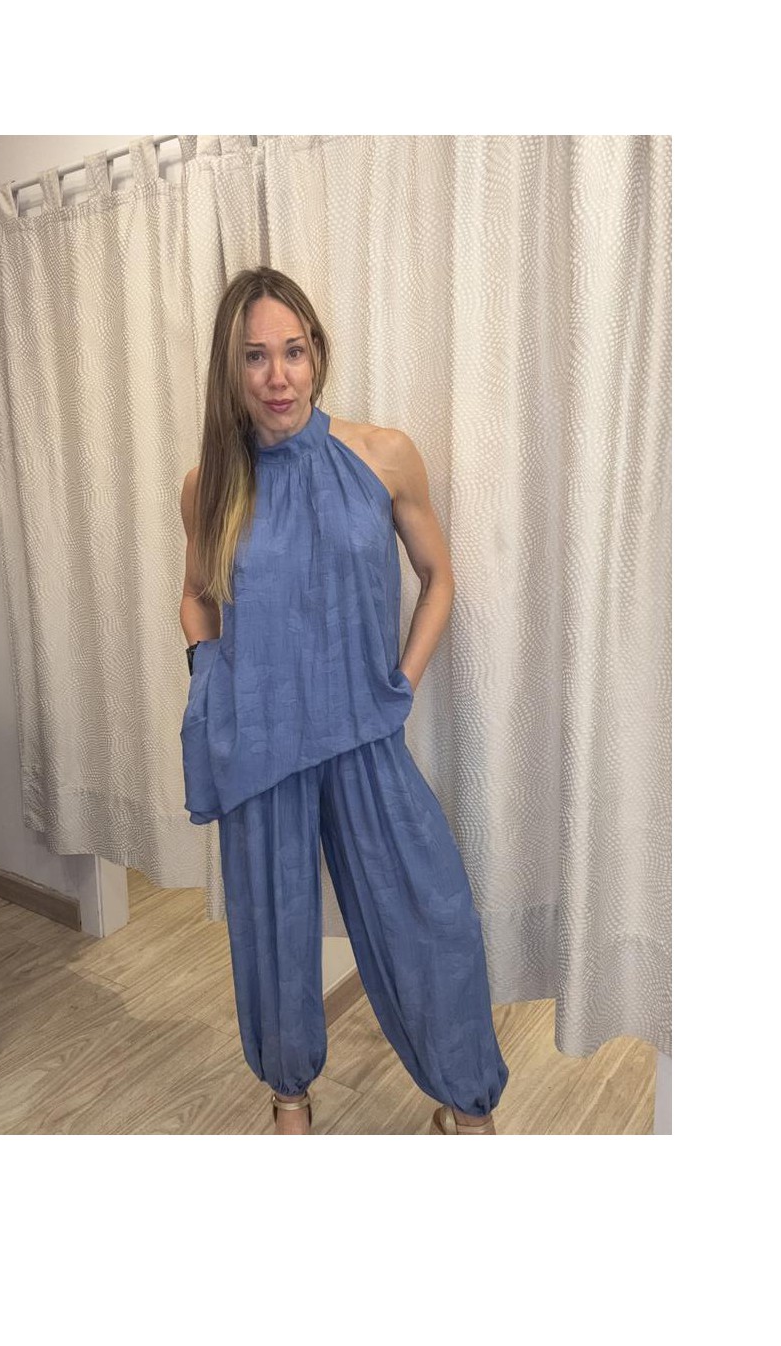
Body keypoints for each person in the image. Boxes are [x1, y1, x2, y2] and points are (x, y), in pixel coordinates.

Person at [179, 266, 509, 1134]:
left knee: (429, 916)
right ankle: (289, 1099)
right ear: (231, 370)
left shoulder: (383, 455)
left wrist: (402, 681)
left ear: (318, 355)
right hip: (260, 745)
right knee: (274, 936)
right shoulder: (210, 484)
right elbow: (197, 596)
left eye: (292, 351)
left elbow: (438, 577)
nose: (277, 376)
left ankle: (465, 1104)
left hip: (363, 732)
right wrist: (210, 672)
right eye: (255, 357)